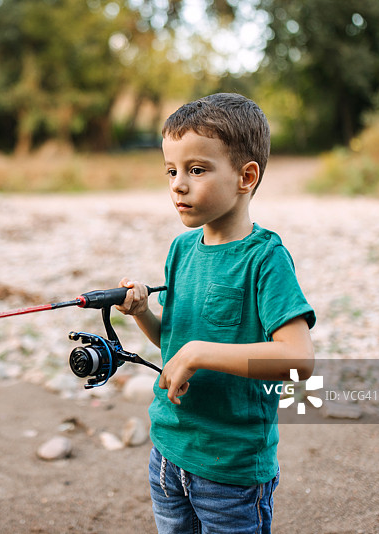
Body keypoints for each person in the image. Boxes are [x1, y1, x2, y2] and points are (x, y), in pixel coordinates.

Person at [115, 93, 316, 534]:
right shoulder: (181, 249)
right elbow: (175, 340)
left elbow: (299, 360)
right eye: (171, 171)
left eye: (197, 170)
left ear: (246, 177)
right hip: (167, 453)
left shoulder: (265, 258)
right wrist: (144, 313)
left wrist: (201, 353)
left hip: (232, 474)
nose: (178, 185)